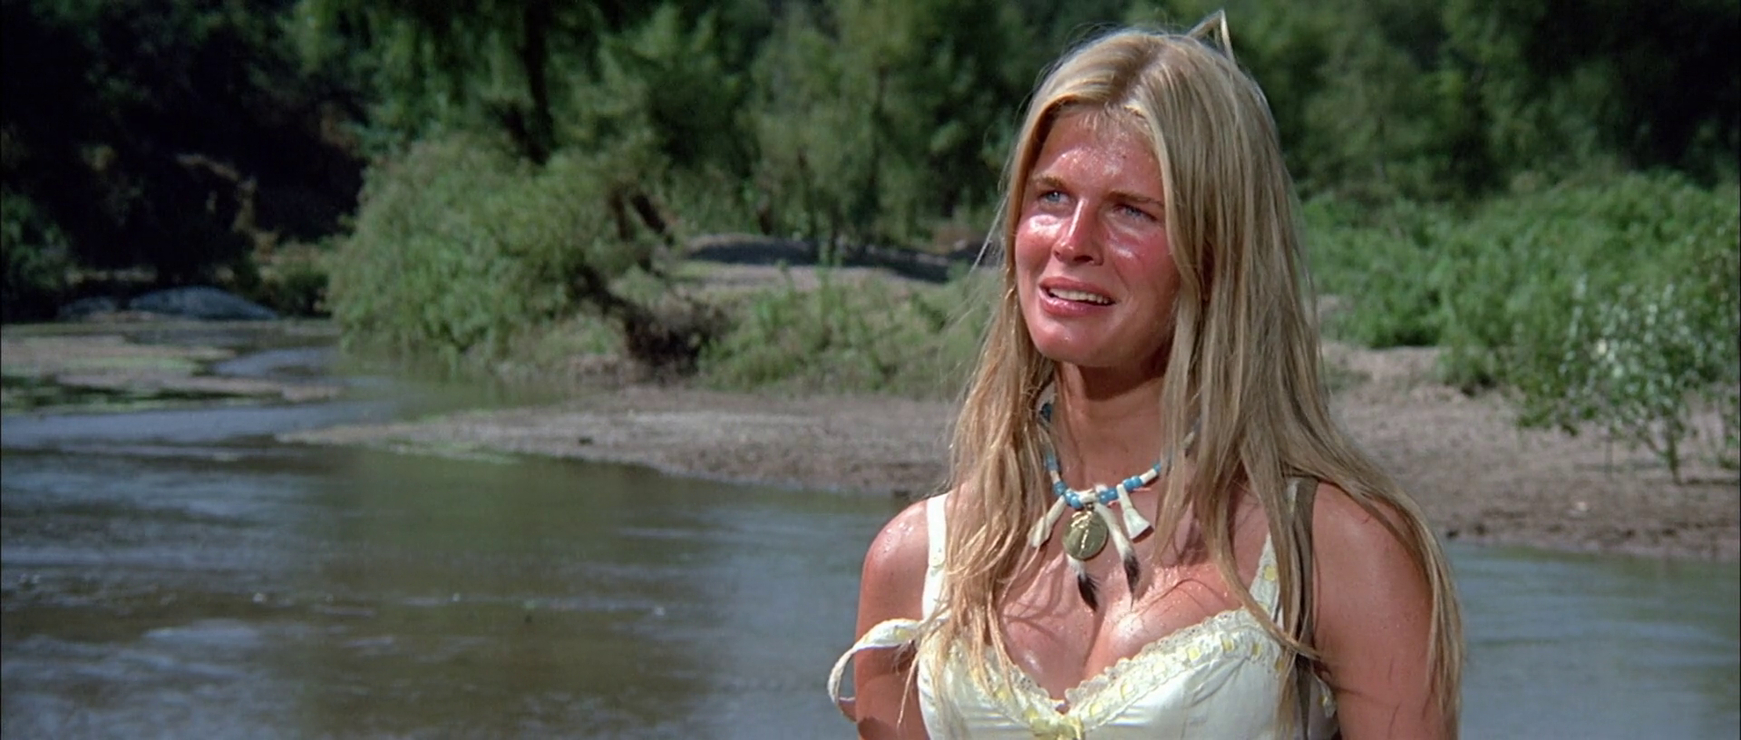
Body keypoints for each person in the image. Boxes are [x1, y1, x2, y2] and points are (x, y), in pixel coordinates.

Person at [826, 12, 1463, 740]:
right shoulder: (917, 565)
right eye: (1051, 197)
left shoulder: (1334, 551)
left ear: (1217, 251)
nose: (1073, 242)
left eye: (1130, 211)